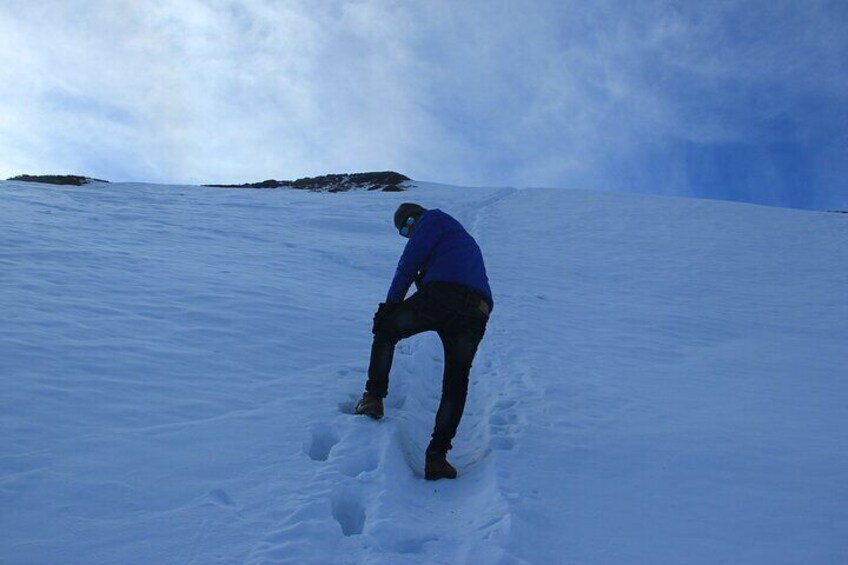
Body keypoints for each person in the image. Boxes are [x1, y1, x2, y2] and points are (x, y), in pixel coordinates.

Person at [354, 202, 493, 480]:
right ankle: (437, 457)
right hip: (477, 311)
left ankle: (373, 397)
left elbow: (408, 263)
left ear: (417, 214)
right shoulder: (455, 239)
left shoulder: (433, 218)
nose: (409, 231)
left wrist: (390, 306)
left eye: (408, 224)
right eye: (404, 231)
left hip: (445, 296)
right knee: (456, 381)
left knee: (386, 330)